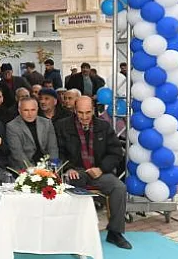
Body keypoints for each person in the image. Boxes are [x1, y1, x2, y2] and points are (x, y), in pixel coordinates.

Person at [55, 97, 131, 250]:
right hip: (75, 172)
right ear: (75, 111)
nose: (84, 116)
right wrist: (68, 168)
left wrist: (101, 168)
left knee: (119, 188)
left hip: (99, 172)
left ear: (94, 110)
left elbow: (116, 152)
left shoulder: (104, 126)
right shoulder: (62, 126)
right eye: (80, 113)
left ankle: (115, 233)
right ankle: (72, 233)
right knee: (73, 184)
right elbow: (57, 152)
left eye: (88, 112)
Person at [6, 97, 59, 168]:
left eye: (33, 110)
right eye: (26, 110)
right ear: (19, 110)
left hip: (46, 163)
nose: (30, 114)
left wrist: (53, 166)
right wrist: (33, 170)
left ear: (37, 109)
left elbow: (53, 147)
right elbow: (18, 154)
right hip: (24, 166)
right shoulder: (12, 126)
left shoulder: (47, 123)